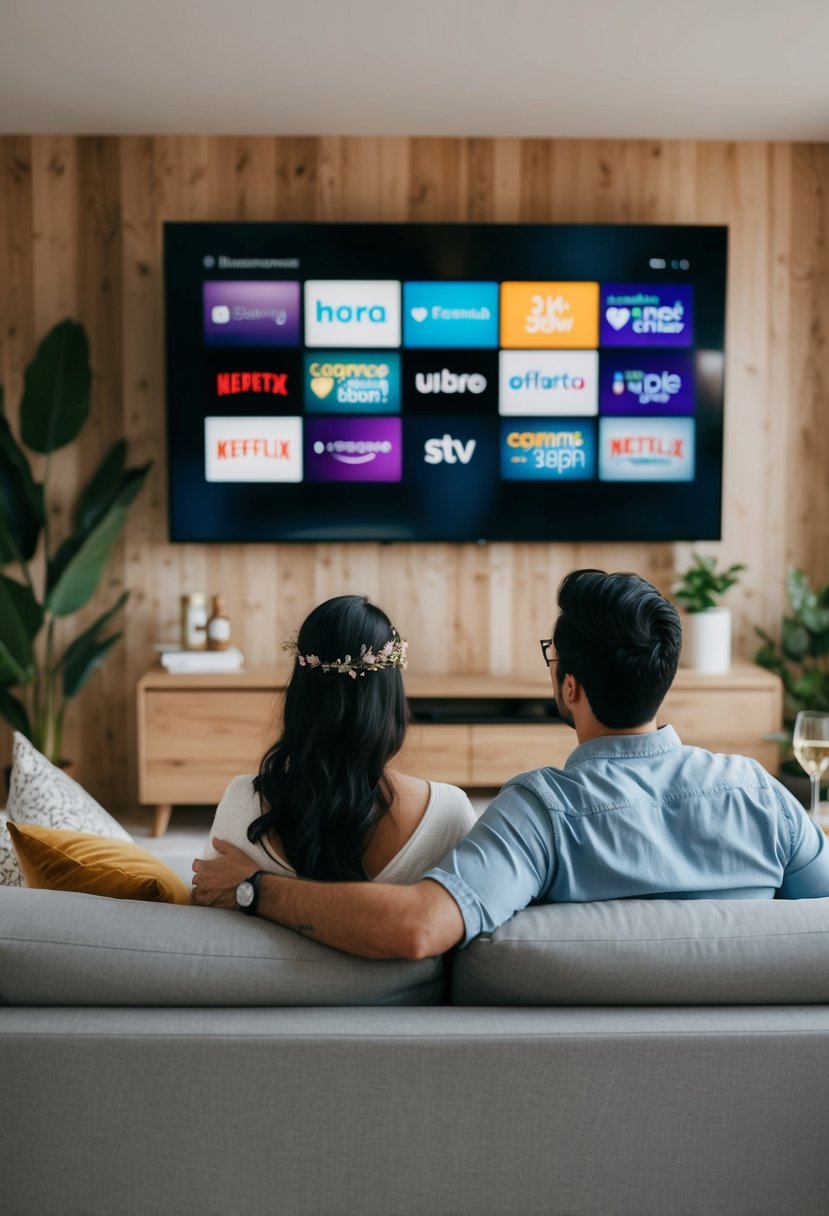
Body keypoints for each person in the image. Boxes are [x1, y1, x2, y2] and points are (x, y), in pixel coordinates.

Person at [192, 569, 829, 955]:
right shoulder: (759, 793)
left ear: (570, 687)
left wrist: (252, 887)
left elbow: (418, 931)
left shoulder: (537, 813)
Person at [197, 594, 476, 899]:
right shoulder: (449, 814)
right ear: (390, 696)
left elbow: (205, 907)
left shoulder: (241, 803)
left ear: (300, 694)